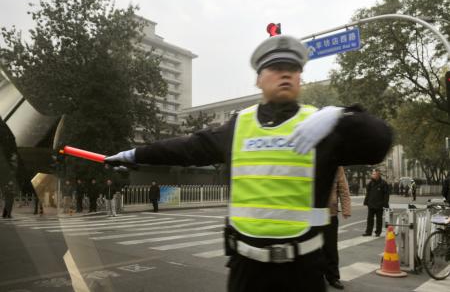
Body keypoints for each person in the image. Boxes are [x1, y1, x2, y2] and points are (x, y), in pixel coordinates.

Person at [105, 34, 392, 292]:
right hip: (246, 272)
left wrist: (342, 115)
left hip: (303, 272)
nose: (286, 74)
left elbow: (380, 143)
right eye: (276, 68)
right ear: (259, 79)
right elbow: (184, 148)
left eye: (293, 69)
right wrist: (134, 155)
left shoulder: (320, 125)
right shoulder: (238, 126)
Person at [323, 167, 351, 290]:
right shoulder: (312, 160)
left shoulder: (337, 167)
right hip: (313, 213)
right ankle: (316, 275)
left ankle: (333, 277)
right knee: (313, 247)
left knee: (330, 247)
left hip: (331, 213)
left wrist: (346, 209)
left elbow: (343, 188)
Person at [363, 169, 389, 237]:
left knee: (379, 219)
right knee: (369, 219)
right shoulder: (370, 183)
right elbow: (368, 193)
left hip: (379, 205)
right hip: (371, 204)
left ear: (378, 175)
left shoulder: (383, 183)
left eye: (374, 174)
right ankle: (368, 232)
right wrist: (366, 202)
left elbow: (386, 195)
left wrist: (385, 204)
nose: (372, 175)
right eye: (372, 174)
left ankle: (378, 232)